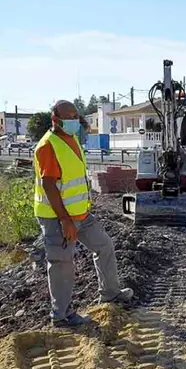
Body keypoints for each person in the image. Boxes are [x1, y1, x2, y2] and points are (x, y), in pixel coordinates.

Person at [34, 100, 133, 327]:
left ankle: (110, 294)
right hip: (57, 217)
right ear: (55, 120)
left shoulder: (72, 140)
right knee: (61, 263)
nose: (73, 120)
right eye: (68, 117)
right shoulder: (48, 145)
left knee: (104, 245)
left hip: (80, 214)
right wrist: (65, 220)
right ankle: (61, 316)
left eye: (75, 116)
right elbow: (49, 185)